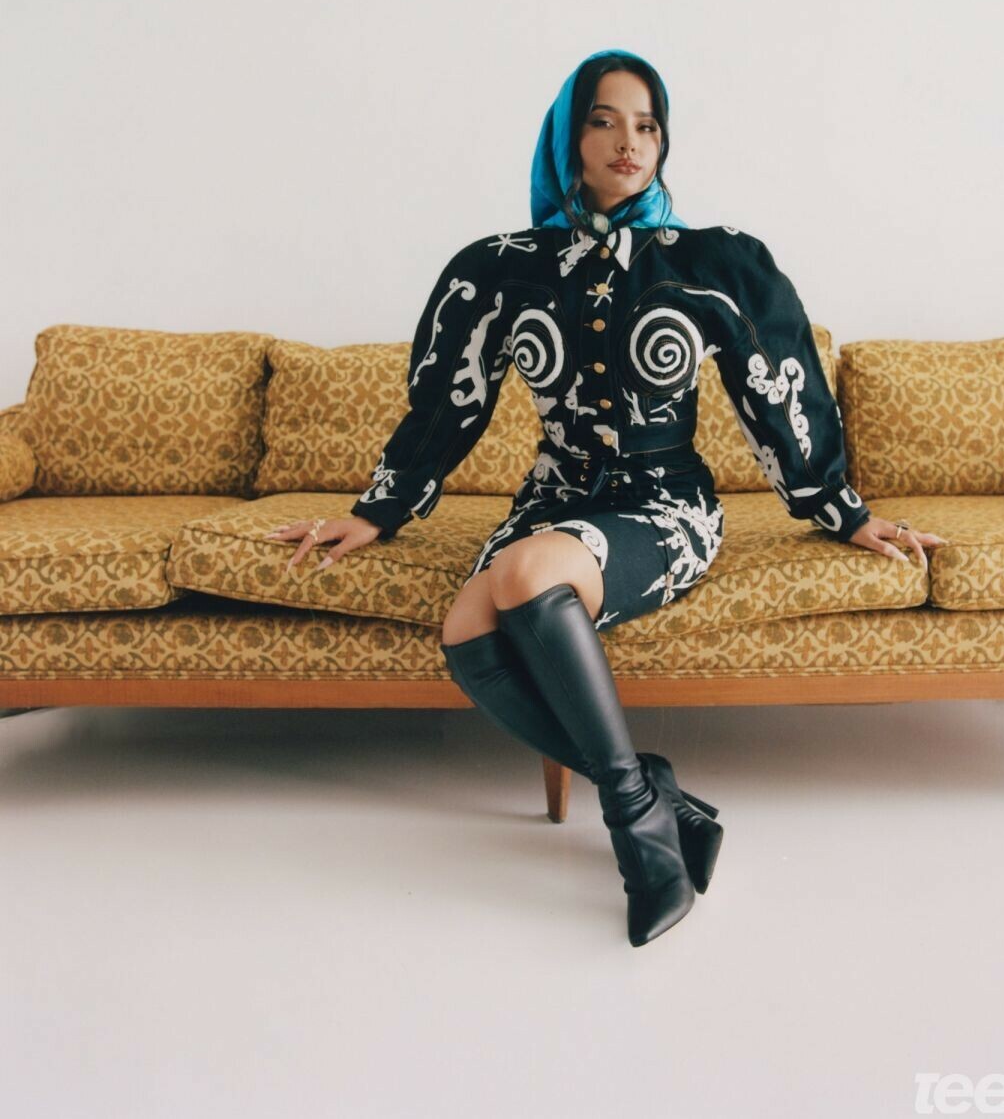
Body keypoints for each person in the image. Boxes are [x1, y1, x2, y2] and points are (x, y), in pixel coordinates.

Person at [266, 48, 947, 947]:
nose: (630, 141)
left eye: (647, 125)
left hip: (664, 504)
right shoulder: (503, 267)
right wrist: (378, 510)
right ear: (568, 138)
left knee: (526, 576)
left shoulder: (709, 261)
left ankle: (640, 842)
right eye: (605, 120)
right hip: (551, 499)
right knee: (466, 631)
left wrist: (843, 510)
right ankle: (656, 791)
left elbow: (780, 385)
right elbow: (447, 403)